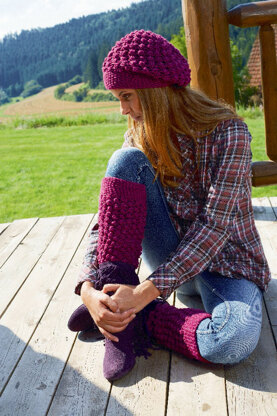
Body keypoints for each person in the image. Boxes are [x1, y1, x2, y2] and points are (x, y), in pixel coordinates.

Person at [68, 29, 271, 381]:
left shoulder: (231, 134)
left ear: (156, 90)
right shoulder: (140, 132)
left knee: (234, 339)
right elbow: (108, 220)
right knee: (123, 161)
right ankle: (117, 311)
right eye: (118, 98)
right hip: (169, 259)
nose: (123, 110)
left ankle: (138, 319)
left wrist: (143, 296)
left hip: (227, 266)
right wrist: (88, 290)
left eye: (127, 96)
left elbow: (216, 227)